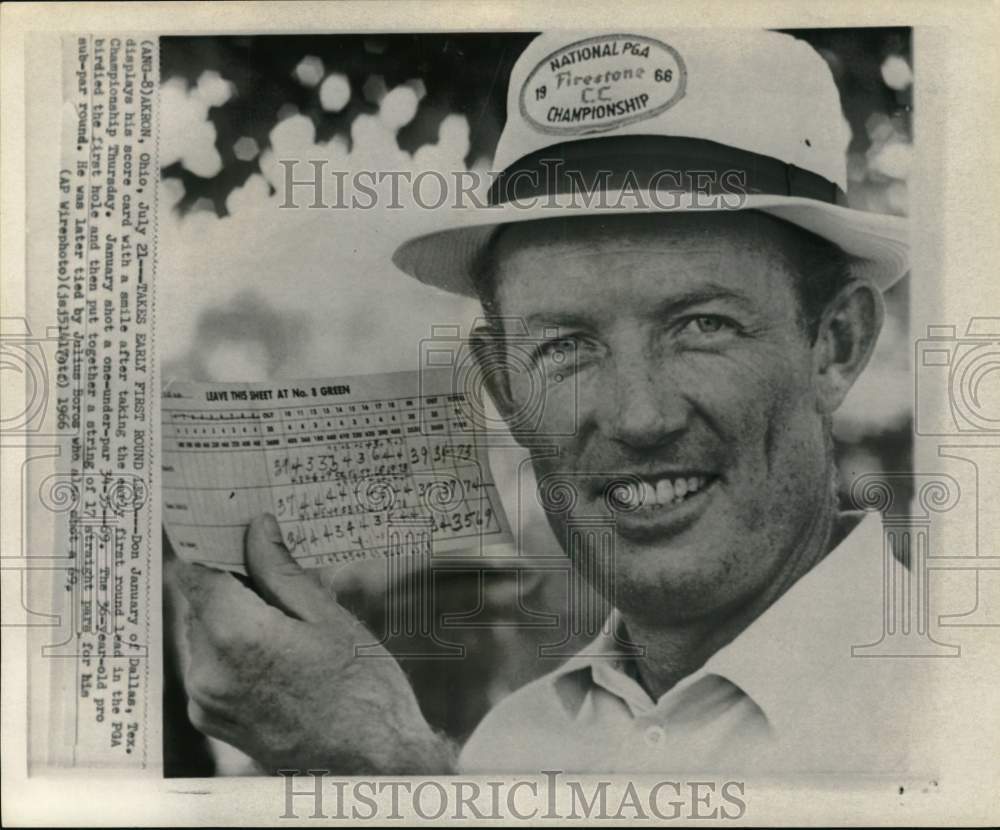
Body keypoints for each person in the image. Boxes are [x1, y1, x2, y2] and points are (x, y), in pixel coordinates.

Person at [177, 29, 919, 774]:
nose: (638, 417)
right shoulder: (514, 744)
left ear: (838, 344)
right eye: (566, 347)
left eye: (702, 326)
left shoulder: (954, 707)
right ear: (505, 390)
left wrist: (376, 767)